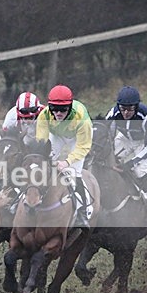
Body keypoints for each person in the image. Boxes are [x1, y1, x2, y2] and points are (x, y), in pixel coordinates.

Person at [35, 84, 93, 228]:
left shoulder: (81, 118)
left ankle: (82, 212)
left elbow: (83, 147)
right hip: (57, 135)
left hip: (77, 139)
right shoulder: (44, 115)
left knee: (74, 173)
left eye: (63, 109)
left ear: (70, 106)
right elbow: (42, 144)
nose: (59, 113)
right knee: (43, 166)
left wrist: (66, 162)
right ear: (49, 106)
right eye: (55, 108)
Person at [105, 85, 147, 222]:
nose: (125, 113)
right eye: (123, 108)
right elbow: (107, 133)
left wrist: (132, 162)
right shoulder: (114, 112)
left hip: (143, 142)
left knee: (138, 172)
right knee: (107, 162)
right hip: (124, 138)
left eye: (130, 109)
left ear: (136, 106)